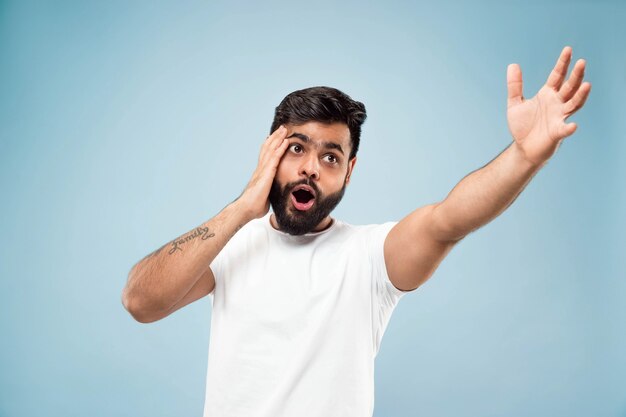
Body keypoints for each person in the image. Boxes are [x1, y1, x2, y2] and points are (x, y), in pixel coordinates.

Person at [121, 46, 591, 417]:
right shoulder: (229, 247)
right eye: (296, 148)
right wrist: (244, 206)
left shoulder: (369, 258)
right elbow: (140, 301)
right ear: (269, 153)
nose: (310, 169)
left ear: (349, 172)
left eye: (330, 157)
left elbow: (449, 220)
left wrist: (524, 155)